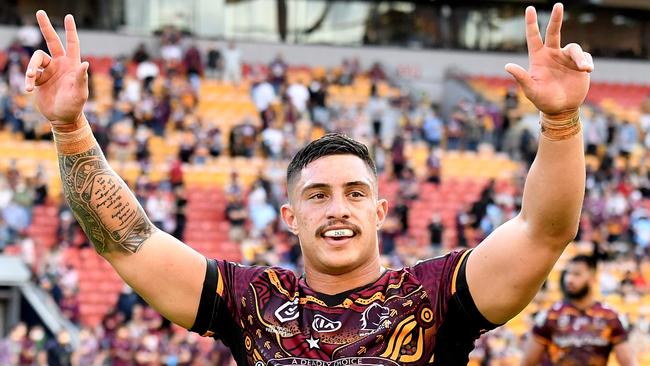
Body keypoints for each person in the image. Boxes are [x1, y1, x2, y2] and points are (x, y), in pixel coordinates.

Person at [26, 4, 592, 364]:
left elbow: (545, 230)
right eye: (317, 196)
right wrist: (70, 128)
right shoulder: (252, 303)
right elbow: (127, 239)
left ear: (381, 211)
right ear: (290, 216)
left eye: (355, 193)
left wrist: (561, 122)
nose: (338, 209)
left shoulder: (435, 296)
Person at [520, 255, 636, 366]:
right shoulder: (550, 316)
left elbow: (629, 363)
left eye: (576, 274)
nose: (569, 279)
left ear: (592, 278)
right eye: (568, 273)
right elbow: (527, 363)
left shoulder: (610, 317)